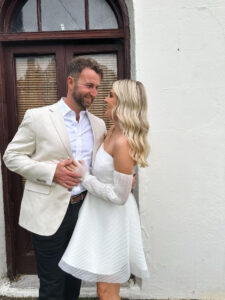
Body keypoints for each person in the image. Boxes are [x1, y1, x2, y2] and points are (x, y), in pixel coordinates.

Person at [3, 57, 106, 300]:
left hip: (83, 210)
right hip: (48, 212)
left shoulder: (99, 124)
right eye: (88, 86)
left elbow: (100, 166)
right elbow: (11, 156)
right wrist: (52, 173)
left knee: (73, 281)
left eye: (97, 87)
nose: (94, 93)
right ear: (71, 82)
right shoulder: (38, 117)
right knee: (52, 283)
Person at [59, 79, 150, 300]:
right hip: (99, 215)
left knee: (106, 290)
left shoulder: (123, 142)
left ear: (123, 103)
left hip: (113, 220)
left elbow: (119, 197)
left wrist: (85, 178)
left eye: (110, 95)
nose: (105, 99)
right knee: (102, 288)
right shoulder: (111, 131)